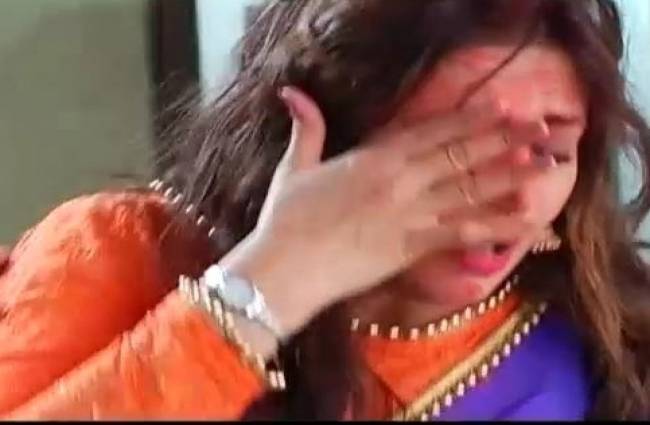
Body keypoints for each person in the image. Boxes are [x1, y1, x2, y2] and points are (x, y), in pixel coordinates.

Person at [1, 0, 650, 420]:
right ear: (326, 136)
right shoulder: (119, 251)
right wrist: (275, 280)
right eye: (450, 156)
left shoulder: (605, 327)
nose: (512, 200)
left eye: (548, 151)